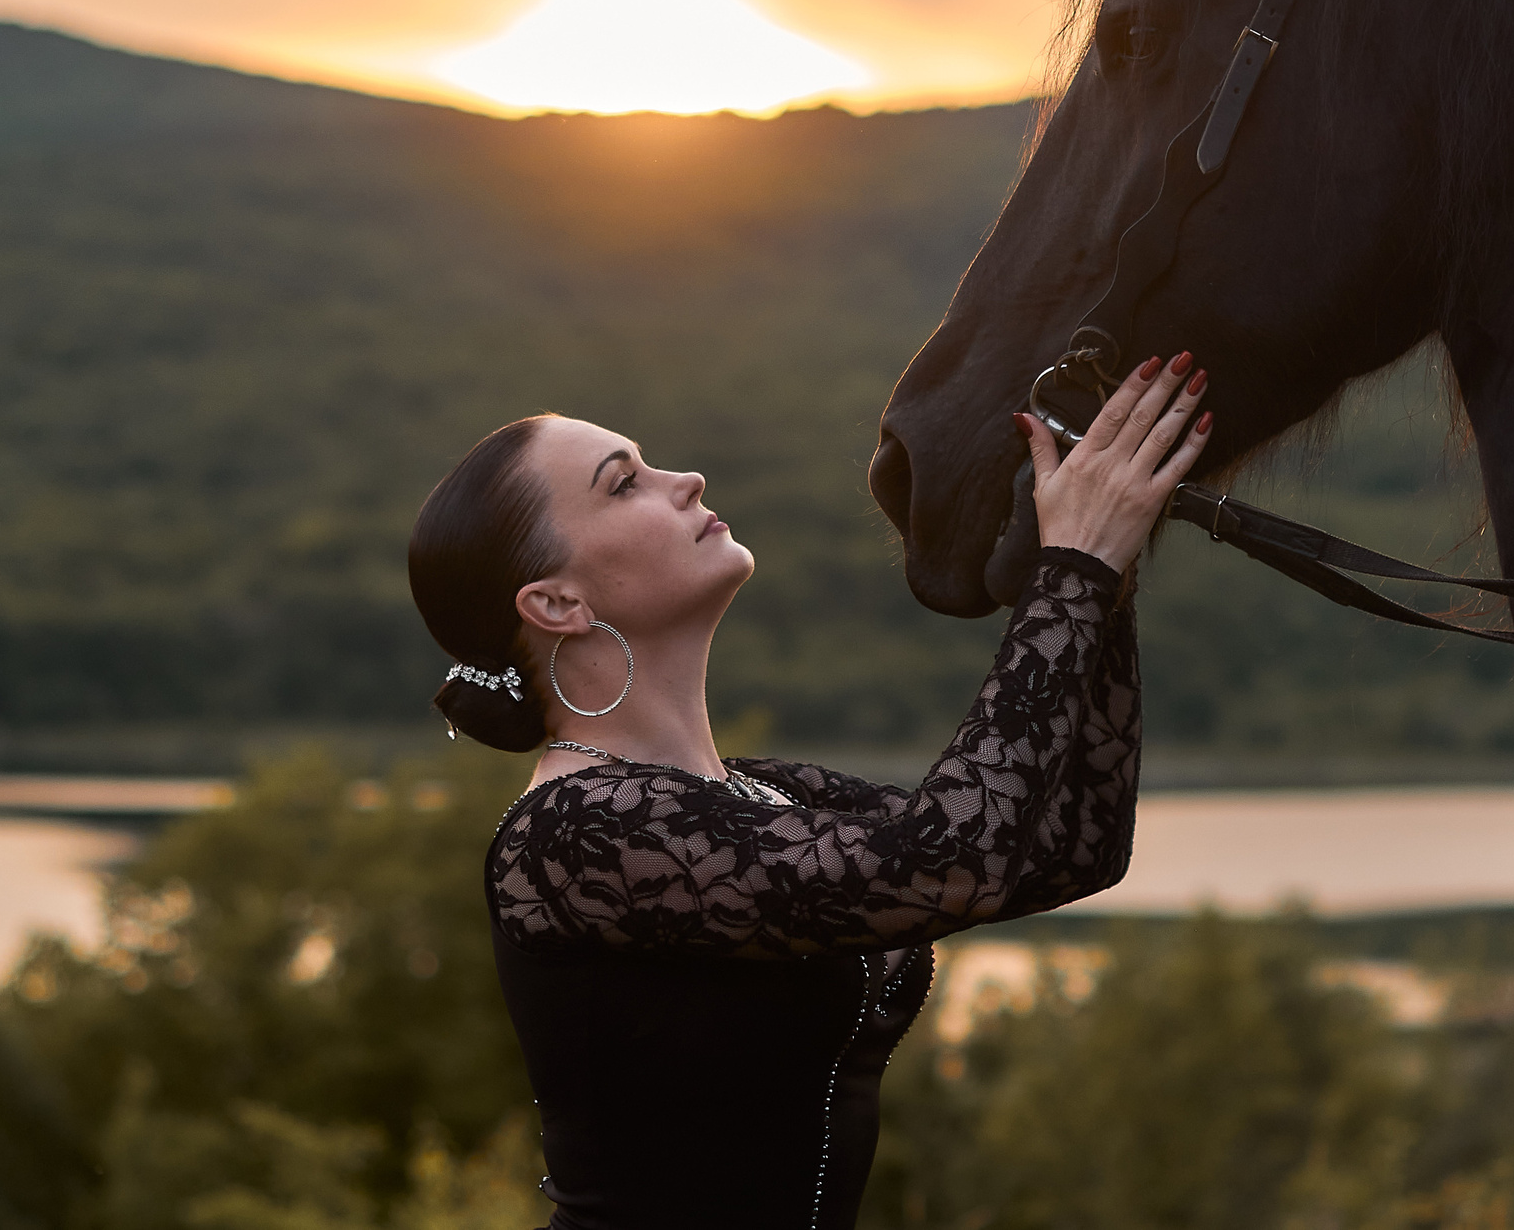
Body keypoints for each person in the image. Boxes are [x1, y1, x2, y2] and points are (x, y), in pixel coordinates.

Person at [408, 354, 1213, 1229]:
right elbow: (953, 858)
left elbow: (1071, 845)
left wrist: (1108, 563)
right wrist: (1075, 568)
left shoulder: (764, 794)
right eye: (624, 482)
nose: (686, 479)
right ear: (558, 602)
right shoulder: (572, 832)